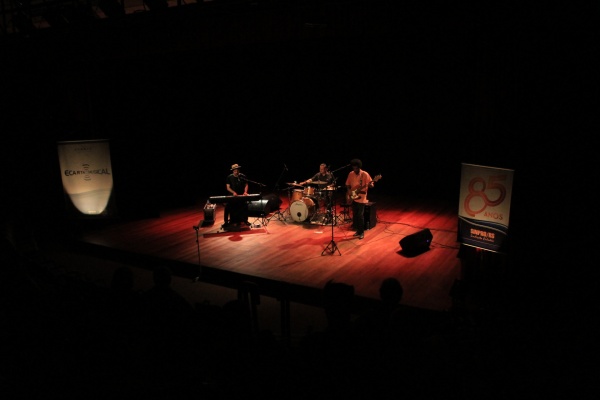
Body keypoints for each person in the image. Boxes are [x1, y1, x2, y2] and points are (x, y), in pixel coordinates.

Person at [345, 158, 376, 240]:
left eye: (356, 168)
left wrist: (370, 185)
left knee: (360, 215)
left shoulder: (365, 174)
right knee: (355, 215)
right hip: (353, 197)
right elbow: (347, 185)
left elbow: (371, 184)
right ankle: (358, 231)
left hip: (362, 197)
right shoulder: (351, 174)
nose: (355, 170)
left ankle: (362, 232)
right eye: (353, 168)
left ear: (359, 167)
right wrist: (349, 193)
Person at [223, 163, 250, 228]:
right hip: (232, 196)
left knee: (245, 206)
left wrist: (245, 192)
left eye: (237, 170)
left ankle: (245, 220)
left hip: (241, 196)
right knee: (227, 207)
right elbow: (228, 187)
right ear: (233, 170)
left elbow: (246, 184)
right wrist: (233, 192)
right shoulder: (229, 177)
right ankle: (226, 222)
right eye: (235, 170)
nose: (236, 171)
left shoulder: (242, 176)